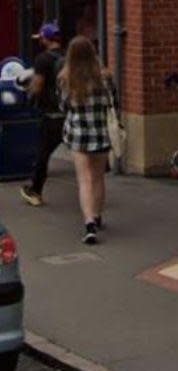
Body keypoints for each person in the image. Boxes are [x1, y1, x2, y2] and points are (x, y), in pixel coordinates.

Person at [58, 36, 116, 245]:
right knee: (98, 178)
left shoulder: (66, 79)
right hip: (100, 133)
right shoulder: (105, 78)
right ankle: (98, 216)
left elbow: (63, 107)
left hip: (78, 135)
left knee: (84, 179)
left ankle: (89, 222)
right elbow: (113, 103)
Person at [19, 23, 65, 207]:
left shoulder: (42, 59)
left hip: (51, 114)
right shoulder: (68, 56)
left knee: (42, 153)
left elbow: (37, 86)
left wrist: (27, 92)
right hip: (69, 113)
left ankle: (35, 191)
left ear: (46, 39)